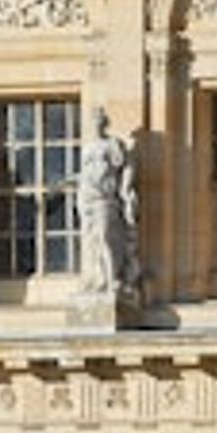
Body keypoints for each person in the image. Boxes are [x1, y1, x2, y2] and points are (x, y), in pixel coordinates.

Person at [72, 106, 141, 300]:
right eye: (94, 121)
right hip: (87, 197)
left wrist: (126, 190)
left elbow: (127, 166)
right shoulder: (87, 147)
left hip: (105, 197)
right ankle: (98, 278)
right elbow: (86, 173)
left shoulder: (113, 144)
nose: (96, 124)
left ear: (105, 124)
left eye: (99, 121)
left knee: (105, 237)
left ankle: (113, 279)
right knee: (91, 241)